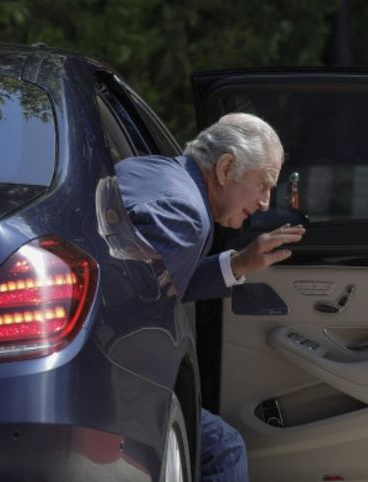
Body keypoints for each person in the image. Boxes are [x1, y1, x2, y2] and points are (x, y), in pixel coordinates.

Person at [115, 113, 305, 481]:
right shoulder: (186, 215)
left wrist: (241, 263)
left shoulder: (149, 168)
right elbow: (140, 315)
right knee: (223, 452)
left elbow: (166, 283)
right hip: (117, 381)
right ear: (226, 167)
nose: (266, 202)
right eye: (263, 184)